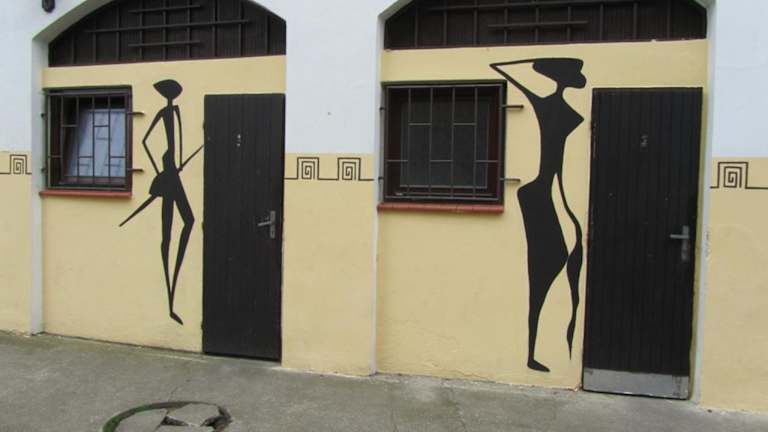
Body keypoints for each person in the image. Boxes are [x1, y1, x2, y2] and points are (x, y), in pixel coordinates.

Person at [490, 58, 586, 372]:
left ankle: (554, 344)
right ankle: (533, 351)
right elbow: (501, 68)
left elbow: (504, 69)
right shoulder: (550, 106)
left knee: (567, 259)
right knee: (546, 265)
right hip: (539, 193)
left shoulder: (556, 106)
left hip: (550, 190)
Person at [120, 79, 197, 325]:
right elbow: (145, 141)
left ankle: (172, 294)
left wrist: (179, 164)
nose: (171, 96)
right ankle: (170, 301)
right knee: (167, 236)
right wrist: (159, 171)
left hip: (174, 174)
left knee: (189, 221)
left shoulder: (177, 111)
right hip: (168, 175)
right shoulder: (164, 112)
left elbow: (179, 144)